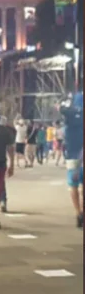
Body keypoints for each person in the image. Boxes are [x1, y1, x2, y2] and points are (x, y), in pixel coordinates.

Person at [59, 92, 83, 228]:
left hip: (72, 154)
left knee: (73, 185)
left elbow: (61, 108)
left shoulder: (69, 117)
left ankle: (78, 212)